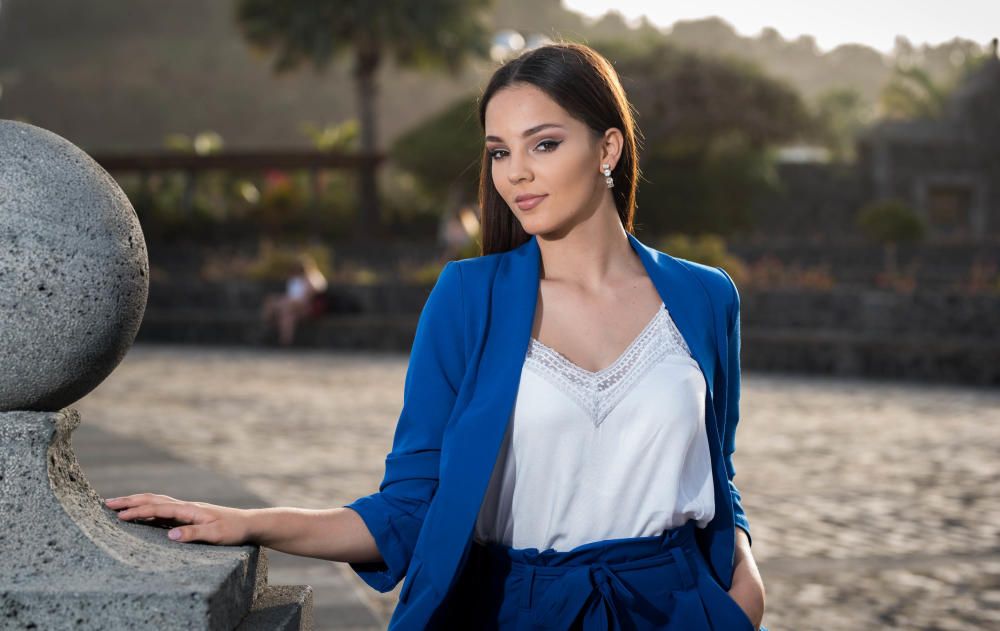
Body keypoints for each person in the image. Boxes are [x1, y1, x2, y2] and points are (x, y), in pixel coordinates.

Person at [105, 42, 766, 630]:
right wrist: (249, 522)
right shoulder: (466, 299)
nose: (516, 173)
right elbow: (409, 505)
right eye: (500, 152)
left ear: (608, 148)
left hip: (680, 605)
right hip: (517, 608)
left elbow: (716, 467)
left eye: (544, 143)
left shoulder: (706, 296)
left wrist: (744, 576)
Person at [259, 254, 328, 346]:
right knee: (286, 314)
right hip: (292, 307)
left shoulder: (314, 277)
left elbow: (318, 292)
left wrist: (308, 282)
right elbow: (291, 295)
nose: (299, 269)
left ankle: (271, 331)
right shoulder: (294, 279)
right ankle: (282, 340)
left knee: (284, 308)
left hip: (307, 307)